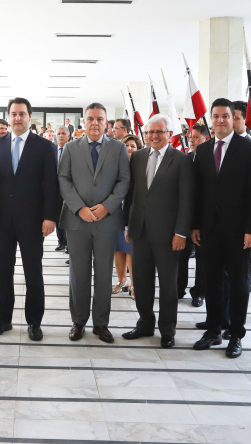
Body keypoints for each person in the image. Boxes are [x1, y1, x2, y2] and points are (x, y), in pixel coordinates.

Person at [190, 98, 251, 359]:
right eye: (216, 116)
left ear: (233, 118)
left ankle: (235, 334)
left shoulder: (249, 149)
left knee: (238, 284)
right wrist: (196, 225)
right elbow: (198, 193)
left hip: (239, 231)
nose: (220, 120)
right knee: (211, 281)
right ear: (211, 119)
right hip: (208, 230)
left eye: (225, 116)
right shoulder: (203, 150)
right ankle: (213, 330)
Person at [0, 97, 59, 341]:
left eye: (22, 114)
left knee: (33, 272)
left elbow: (51, 184)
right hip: (3, 220)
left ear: (29, 117)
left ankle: (34, 322)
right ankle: (2, 319)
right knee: (4, 271)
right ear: (8, 116)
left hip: (33, 221)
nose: (17, 118)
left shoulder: (45, 146)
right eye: (13, 114)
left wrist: (50, 216)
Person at [58, 103, 130, 343]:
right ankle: (78, 322)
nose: (95, 123)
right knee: (78, 273)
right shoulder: (70, 148)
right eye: (90, 118)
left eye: (100, 119)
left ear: (106, 123)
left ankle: (101, 323)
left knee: (102, 273)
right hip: (77, 221)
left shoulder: (118, 148)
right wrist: (79, 208)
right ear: (84, 122)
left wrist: (106, 206)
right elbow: (64, 179)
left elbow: (123, 181)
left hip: (106, 221)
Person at [123, 116, 192, 348]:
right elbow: (131, 194)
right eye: (150, 132)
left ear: (169, 133)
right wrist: (127, 225)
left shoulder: (182, 160)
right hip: (139, 232)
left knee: (168, 285)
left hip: (168, 235)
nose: (153, 136)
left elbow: (186, 200)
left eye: (159, 132)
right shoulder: (139, 157)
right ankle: (145, 323)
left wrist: (181, 233)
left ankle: (167, 330)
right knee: (141, 282)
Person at [181, 123, 210, 307]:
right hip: (184, 216)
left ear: (206, 139)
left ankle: (199, 292)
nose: (191, 139)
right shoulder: (185, 158)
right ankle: (178, 287)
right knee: (181, 255)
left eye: (196, 137)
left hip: (203, 217)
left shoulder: (211, 160)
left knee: (203, 258)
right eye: (191, 136)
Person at [113, 134, 141, 296]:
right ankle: (121, 280)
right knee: (118, 249)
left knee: (130, 249)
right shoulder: (116, 164)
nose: (129, 148)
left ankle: (134, 284)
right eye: (127, 145)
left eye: (133, 146)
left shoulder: (140, 165)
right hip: (116, 212)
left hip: (133, 213)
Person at [53, 126, 70, 252]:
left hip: (69, 189)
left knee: (68, 217)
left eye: (63, 133)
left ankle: (70, 245)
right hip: (55, 189)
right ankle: (61, 242)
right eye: (58, 133)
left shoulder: (72, 150)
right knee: (57, 216)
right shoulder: (52, 150)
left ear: (68, 136)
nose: (61, 136)